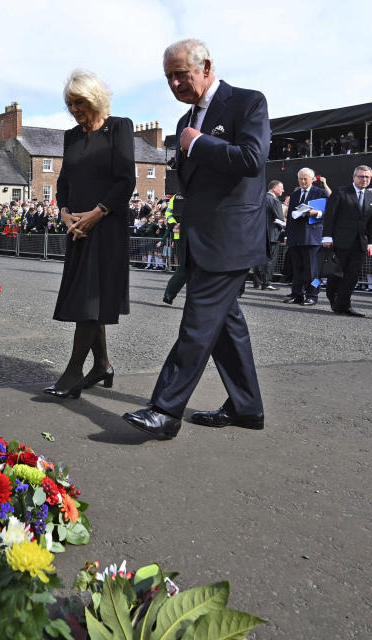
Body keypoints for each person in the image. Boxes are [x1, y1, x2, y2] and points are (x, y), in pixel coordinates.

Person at [123, 39, 270, 439]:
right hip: (200, 237)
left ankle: (165, 410)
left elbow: (252, 159)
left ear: (206, 67)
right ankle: (247, 406)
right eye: (168, 77)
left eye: (181, 74)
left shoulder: (248, 102)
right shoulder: (184, 120)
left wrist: (198, 143)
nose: (174, 83)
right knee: (225, 326)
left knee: (198, 321)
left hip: (232, 238)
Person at [43, 69, 135, 399]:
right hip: (78, 230)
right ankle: (102, 366)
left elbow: (126, 180)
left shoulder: (119, 127)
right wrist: (65, 213)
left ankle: (72, 374)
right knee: (88, 298)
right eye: (70, 104)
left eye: (79, 102)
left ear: (95, 98)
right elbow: (63, 182)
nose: (75, 109)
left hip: (106, 226)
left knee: (89, 299)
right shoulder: (71, 136)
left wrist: (97, 214)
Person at [321, 165, 372, 316]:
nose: (364, 179)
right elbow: (330, 216)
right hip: (340, 241)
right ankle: (333, 297)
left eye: (367, 177)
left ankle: (344, 305)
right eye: (361, 176)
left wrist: (370, 242)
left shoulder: (370, 196)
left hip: (360, 244)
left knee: (352, 276)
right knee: (336, 274)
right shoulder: (340, 192)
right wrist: (327, 237)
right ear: (354, 177)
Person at [283, 168, 331, 305]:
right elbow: (291, 218)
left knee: (313, 272)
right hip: (295, 237)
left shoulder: (320, 192)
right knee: (297, 269)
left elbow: (329, 212)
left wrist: (318, 213)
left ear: (312, 179)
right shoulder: (294, 194)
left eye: (305, 178)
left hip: (312, 237)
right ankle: (296, 294)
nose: (303, 181)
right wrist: (287, 236)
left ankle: (313, 295)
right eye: (300, 179)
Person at [251, 180, 286, 290]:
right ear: (274, 188)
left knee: (257, 258)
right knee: (270, 258)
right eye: (281, 188)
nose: (283, 190)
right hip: (272, 235)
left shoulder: (259, 198)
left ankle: (256, 282)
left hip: (258, 234)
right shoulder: (275, 201)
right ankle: (267, 283)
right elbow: (279, 219)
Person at [162, 195, 189, 304]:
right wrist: (175, 224)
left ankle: (170, 294)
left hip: (190, 235)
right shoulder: (176, 197)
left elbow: (168, 213)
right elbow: (168, 213)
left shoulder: (177, 197)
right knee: (185, 267)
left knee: (189, 268)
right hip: (183, 236)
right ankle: (169, 294)